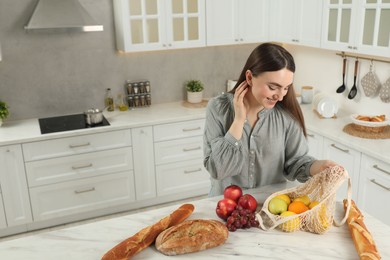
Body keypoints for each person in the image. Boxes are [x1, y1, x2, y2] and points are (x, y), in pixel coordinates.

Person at [203, 42, 336, 196]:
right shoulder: (218, 108)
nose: (280, 96)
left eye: (286, 88)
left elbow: (296, 162)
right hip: (225, 208)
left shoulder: (286, 117)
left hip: (269, 210)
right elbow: (218, 169)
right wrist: (239, 120)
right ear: (249, 77)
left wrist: (319, 166)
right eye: (273, 87)